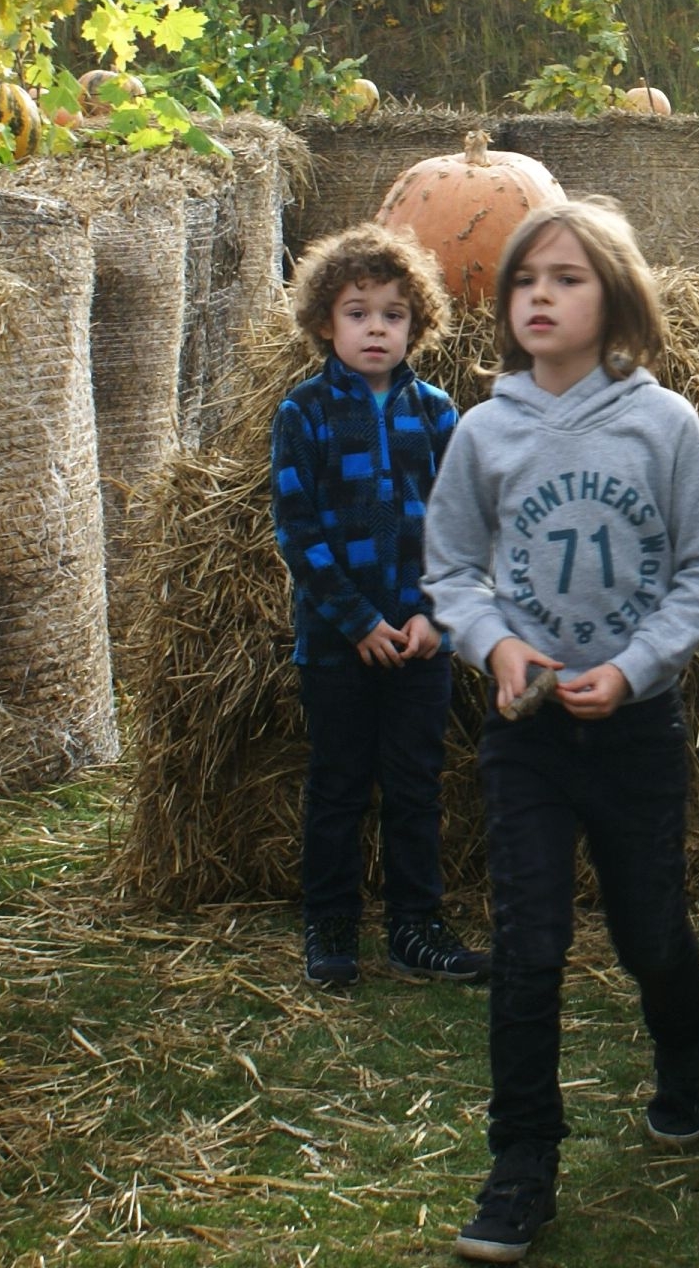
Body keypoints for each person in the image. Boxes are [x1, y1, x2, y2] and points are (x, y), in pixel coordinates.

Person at [425, 199, 699, 1265]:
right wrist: (495, 649)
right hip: (525, 732)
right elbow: (451, 571)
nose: (539, 297)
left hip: (637, 731)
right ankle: (520, 1166)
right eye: (523, 282)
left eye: (564, 278)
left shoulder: (665, 426)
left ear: (615, 299)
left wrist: (636, 665)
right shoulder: (483, 431)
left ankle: (686, 1067)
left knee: (650, 928)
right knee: (529, 945)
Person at [271, 225, 487, 992]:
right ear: (325, 323)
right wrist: (357, 620)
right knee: (336, 786)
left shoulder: (436, 414)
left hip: (422, 644)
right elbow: (299, 533)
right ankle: (330, 925)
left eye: (393, 315)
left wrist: (437, 615)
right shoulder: (305, 414)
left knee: (414, 785)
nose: (375, 329)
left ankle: (416, 926)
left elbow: (459, 526)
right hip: (337, 648)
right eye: (358, 312)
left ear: (416, 326)